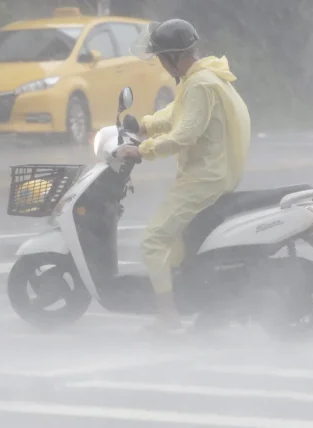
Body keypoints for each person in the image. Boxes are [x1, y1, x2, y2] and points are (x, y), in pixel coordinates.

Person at [115, 19, 251, 333]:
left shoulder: (200, 84)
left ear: (174, 57)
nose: (162, 65)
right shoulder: (204, 77)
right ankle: (191, 298)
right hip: (213, 174)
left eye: (162, 59)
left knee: (152, 241)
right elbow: (179, 112)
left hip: (204, 178)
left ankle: (168, 318)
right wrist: (145, 125)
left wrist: (142, 150)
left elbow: (185, 134)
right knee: (176, 244)